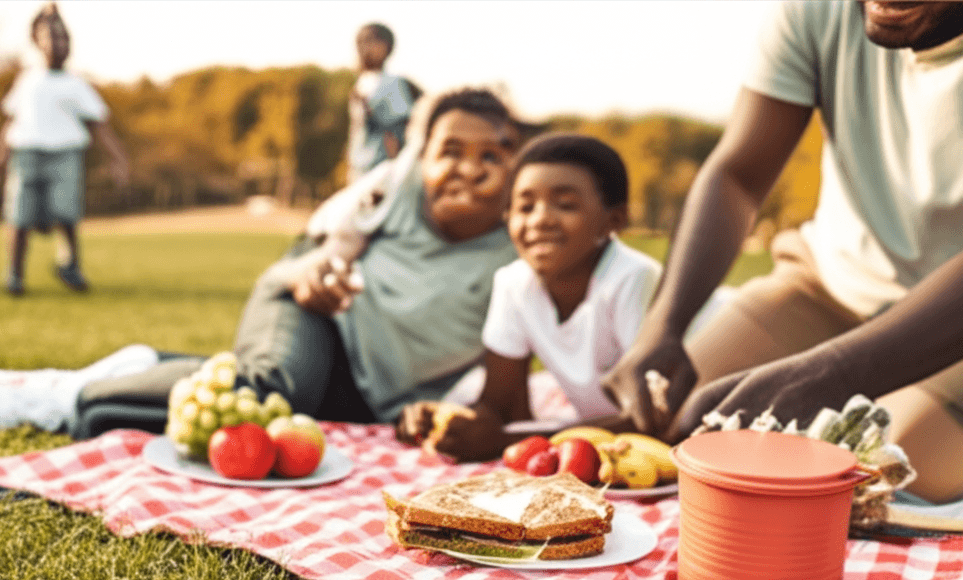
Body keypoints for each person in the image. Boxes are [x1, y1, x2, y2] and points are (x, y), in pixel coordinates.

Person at [0, 88, 523, 440]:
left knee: (299, 416)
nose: (469, 169)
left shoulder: (522, 243)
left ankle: (144, 367)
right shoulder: (392, 187)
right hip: (314, 312)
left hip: (374, 394)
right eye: (450, 151)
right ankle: (58, 396)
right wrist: (321, 274)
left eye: (491, 155)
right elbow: (334, 248)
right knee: (274, 389)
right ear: (421, 159)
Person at [599, 1, 963, 504]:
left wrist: (830, 374)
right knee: (672, 430)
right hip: (826, 287)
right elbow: (738, 177)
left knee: (873, 483)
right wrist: (663, 326)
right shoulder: (817, 11)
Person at [394, 133, 731, 462]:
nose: (540, 219)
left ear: (613, 221)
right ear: (508, 219)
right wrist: (442, 420)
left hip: (734, 384)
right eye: (525, 207)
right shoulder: (513, 284)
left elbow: (651, 419)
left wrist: (502, 441)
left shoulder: (632, 279)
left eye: (565, 204)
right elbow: (499, 406)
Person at [0, 3, 129, 296]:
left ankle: (70, 264)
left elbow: (99, 124)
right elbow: (12, 120)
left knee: (66, 212)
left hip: (65, 154)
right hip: (26, 154)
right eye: (51, 38)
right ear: (38, 43)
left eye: (63, 39)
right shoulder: (28, 80)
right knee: (19, 215)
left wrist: (119, 159)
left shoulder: (75, 84)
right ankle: (14, 274)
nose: (57, 44)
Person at [345, 22, 420, 183]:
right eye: (362, 42)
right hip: (358, 168)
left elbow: (398, 129)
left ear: (387, 48)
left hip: (379, 170)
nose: (366, 47)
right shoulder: (361, 82)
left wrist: (396, 170)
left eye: (373, 42)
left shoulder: (392, 84)